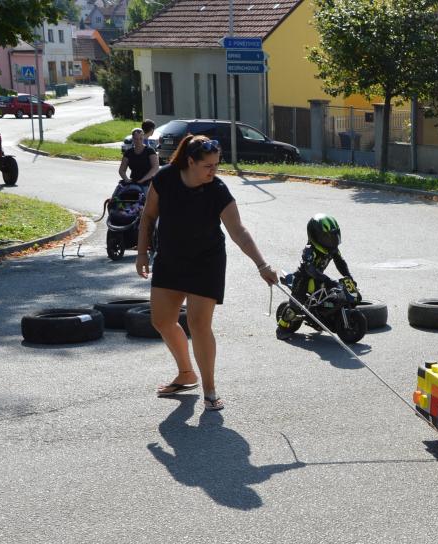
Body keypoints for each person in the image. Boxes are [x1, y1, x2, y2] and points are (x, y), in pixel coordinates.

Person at [135, 134, 279, 411]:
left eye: (217, 165)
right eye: (208, 166)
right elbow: (149, 216)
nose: (214, 171)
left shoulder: (217, 190)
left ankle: (210, 390)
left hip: (206, 261)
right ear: (190, 162)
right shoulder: (165, 178)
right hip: (171, 259)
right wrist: (142, 253)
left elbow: (238, 230)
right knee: (161, 320)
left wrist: (262, 265)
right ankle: (186, 374)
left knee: (199, 324)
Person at [276, 213, 356, 339]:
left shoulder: (333, 249)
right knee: (296, 304)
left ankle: (326, 317)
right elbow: (310, 269)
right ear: (315, 235)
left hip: (318, 277)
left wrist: (348, 276)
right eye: (327, 237)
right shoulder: (310, 250)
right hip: (303, 279)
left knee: (333, 295)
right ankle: (281, 328)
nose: (332, 240)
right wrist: (328, 280)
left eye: (334, 236)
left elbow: (340, 262)